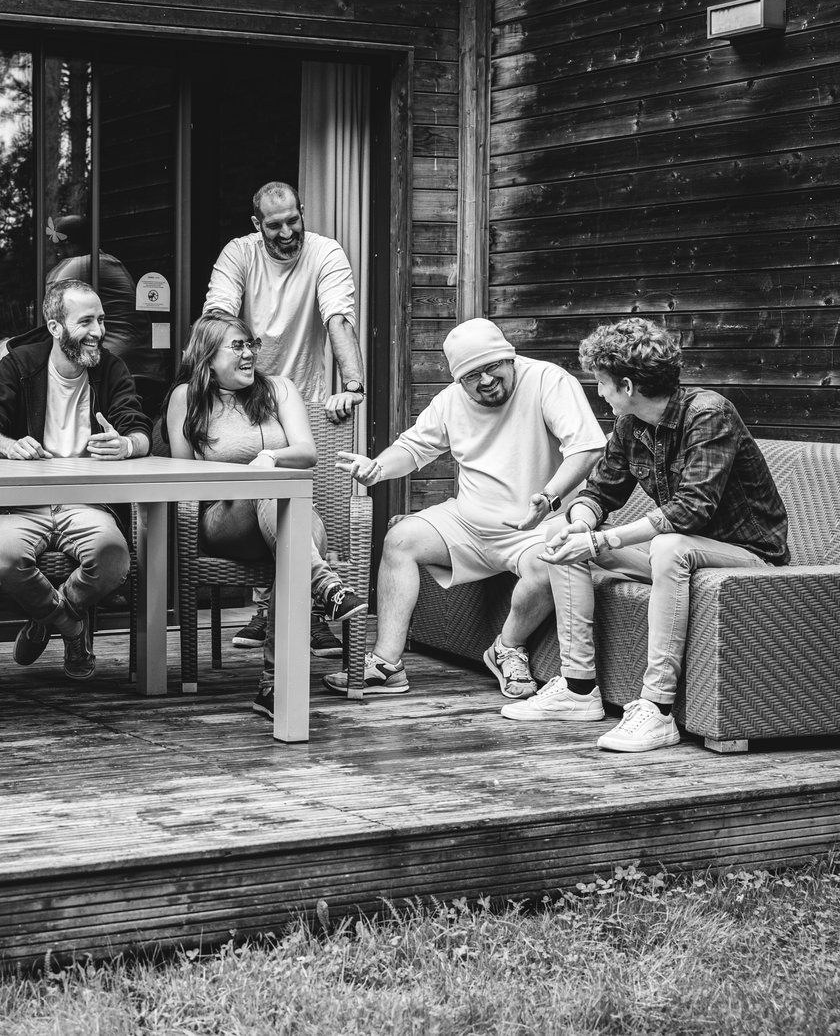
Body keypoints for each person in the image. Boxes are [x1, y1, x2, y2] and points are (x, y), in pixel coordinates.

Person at [504, 318, 788, 752]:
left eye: (601, 382)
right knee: (561, 531)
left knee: (668, 545)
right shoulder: (630, 424)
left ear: (627, 385)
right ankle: (578, 689)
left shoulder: (708, 414)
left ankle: (657, 710)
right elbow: (600, 492)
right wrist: (581, 523)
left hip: (749, 557)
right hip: (678, 556)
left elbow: (691, 509)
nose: (599, 392)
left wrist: (602, 540)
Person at [334, 318, 605, 697]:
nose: (486, 381)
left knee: (552, 564)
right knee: (401, 539)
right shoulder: (450, 401)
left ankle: (507, 647)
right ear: (458, 380)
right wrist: (378, 467)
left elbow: (587, 448)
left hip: (537, 527)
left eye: (493, 367)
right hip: (468, 524)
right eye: (472, 376)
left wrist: (550, 497)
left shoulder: (548, 381)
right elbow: (412, 448)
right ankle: (386, 664)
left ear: (510, 357)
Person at [165, 310, 367, 719]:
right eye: (237, 346)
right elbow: (183, 475)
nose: (249, 354)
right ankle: (325, 585)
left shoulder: (279, 389)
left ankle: (272, 688)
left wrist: (270, 457)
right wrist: (245, 477)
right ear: (208, 357)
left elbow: (306, 452)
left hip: (293, 517)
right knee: (271, 493)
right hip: (226, 520)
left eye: (250, 344)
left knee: (288, 543)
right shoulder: (186, 398)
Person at [202, 181, 367, 657]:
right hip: (242, 393)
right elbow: (219, 317)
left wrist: (353, 384)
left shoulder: (324, 252)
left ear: (302, 211)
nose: (287, 232)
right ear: (257, 225)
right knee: (268, 488)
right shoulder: (239, 254)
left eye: (293, 220)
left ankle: (292, 610)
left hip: (301, 396)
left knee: (289, 493)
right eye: (274, 225)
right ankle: (301, 603)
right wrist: (217, 374)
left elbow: (338, 319)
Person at [0, 279, 151, 680]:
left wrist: (126, 445)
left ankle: (46, 617)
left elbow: (139, 428)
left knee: (113, 558)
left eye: (101, 320)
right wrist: (9, 446)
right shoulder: (19, 365)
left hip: (87, 502)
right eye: (86, 321)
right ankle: (71, 627)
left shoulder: (111, 368)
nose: (98, 331)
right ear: (54, 327)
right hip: (24, 501)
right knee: (5, 559)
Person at [46, 214, 161, 389]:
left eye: (61, 246)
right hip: (140, 362)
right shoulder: (108, 262)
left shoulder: (83, 265)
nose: (58, 252)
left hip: (117, 363)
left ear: (72, 244)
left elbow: (51, 298)